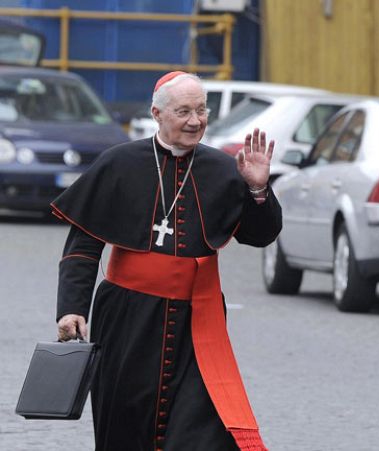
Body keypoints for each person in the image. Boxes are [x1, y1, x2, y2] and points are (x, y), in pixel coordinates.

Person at [52, 71, 280, 451]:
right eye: (184, 111)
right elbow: (83, 245)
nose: (195, 121)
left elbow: (260, 236)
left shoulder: (225, 169)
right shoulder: (119, 163)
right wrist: (71, 308)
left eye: (202, 111)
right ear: (157, 114)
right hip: (127, 320)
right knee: (124, 426)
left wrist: (257, 188)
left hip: (197, 323)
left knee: (203, 431)